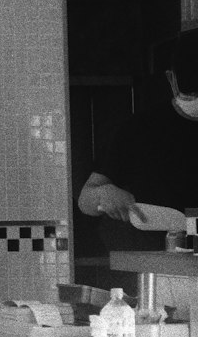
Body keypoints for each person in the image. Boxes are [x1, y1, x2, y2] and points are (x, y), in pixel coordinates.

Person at [78, 30, 198, 251]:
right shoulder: (139, 129)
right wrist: (103, 194)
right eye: (191, 95)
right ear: (171, 79)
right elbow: (86, 200)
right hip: (155, 266)